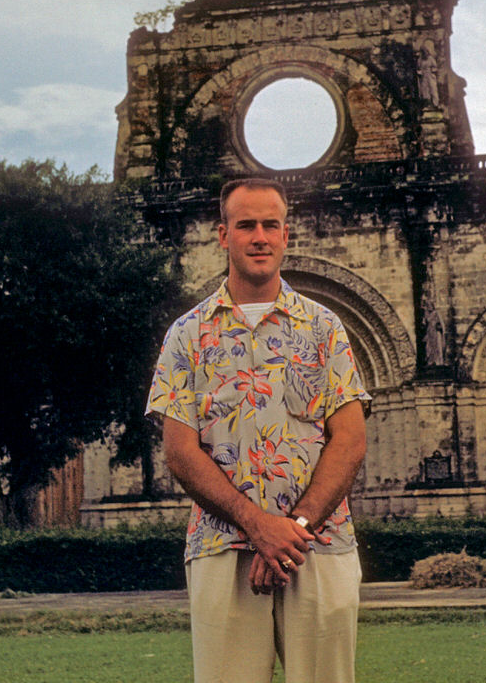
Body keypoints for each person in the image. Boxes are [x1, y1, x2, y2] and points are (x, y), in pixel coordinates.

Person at [147, 178, 370, 683]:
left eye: (271, 224)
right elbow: (181, 452)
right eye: (245, 224)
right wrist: (257, 525)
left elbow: (350, 439)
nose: (259, 236)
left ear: (286, 235)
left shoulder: (323, 327)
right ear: (222, 235)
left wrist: (292, 529)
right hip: (222, 548)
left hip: (318, 543)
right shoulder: (186, 335)